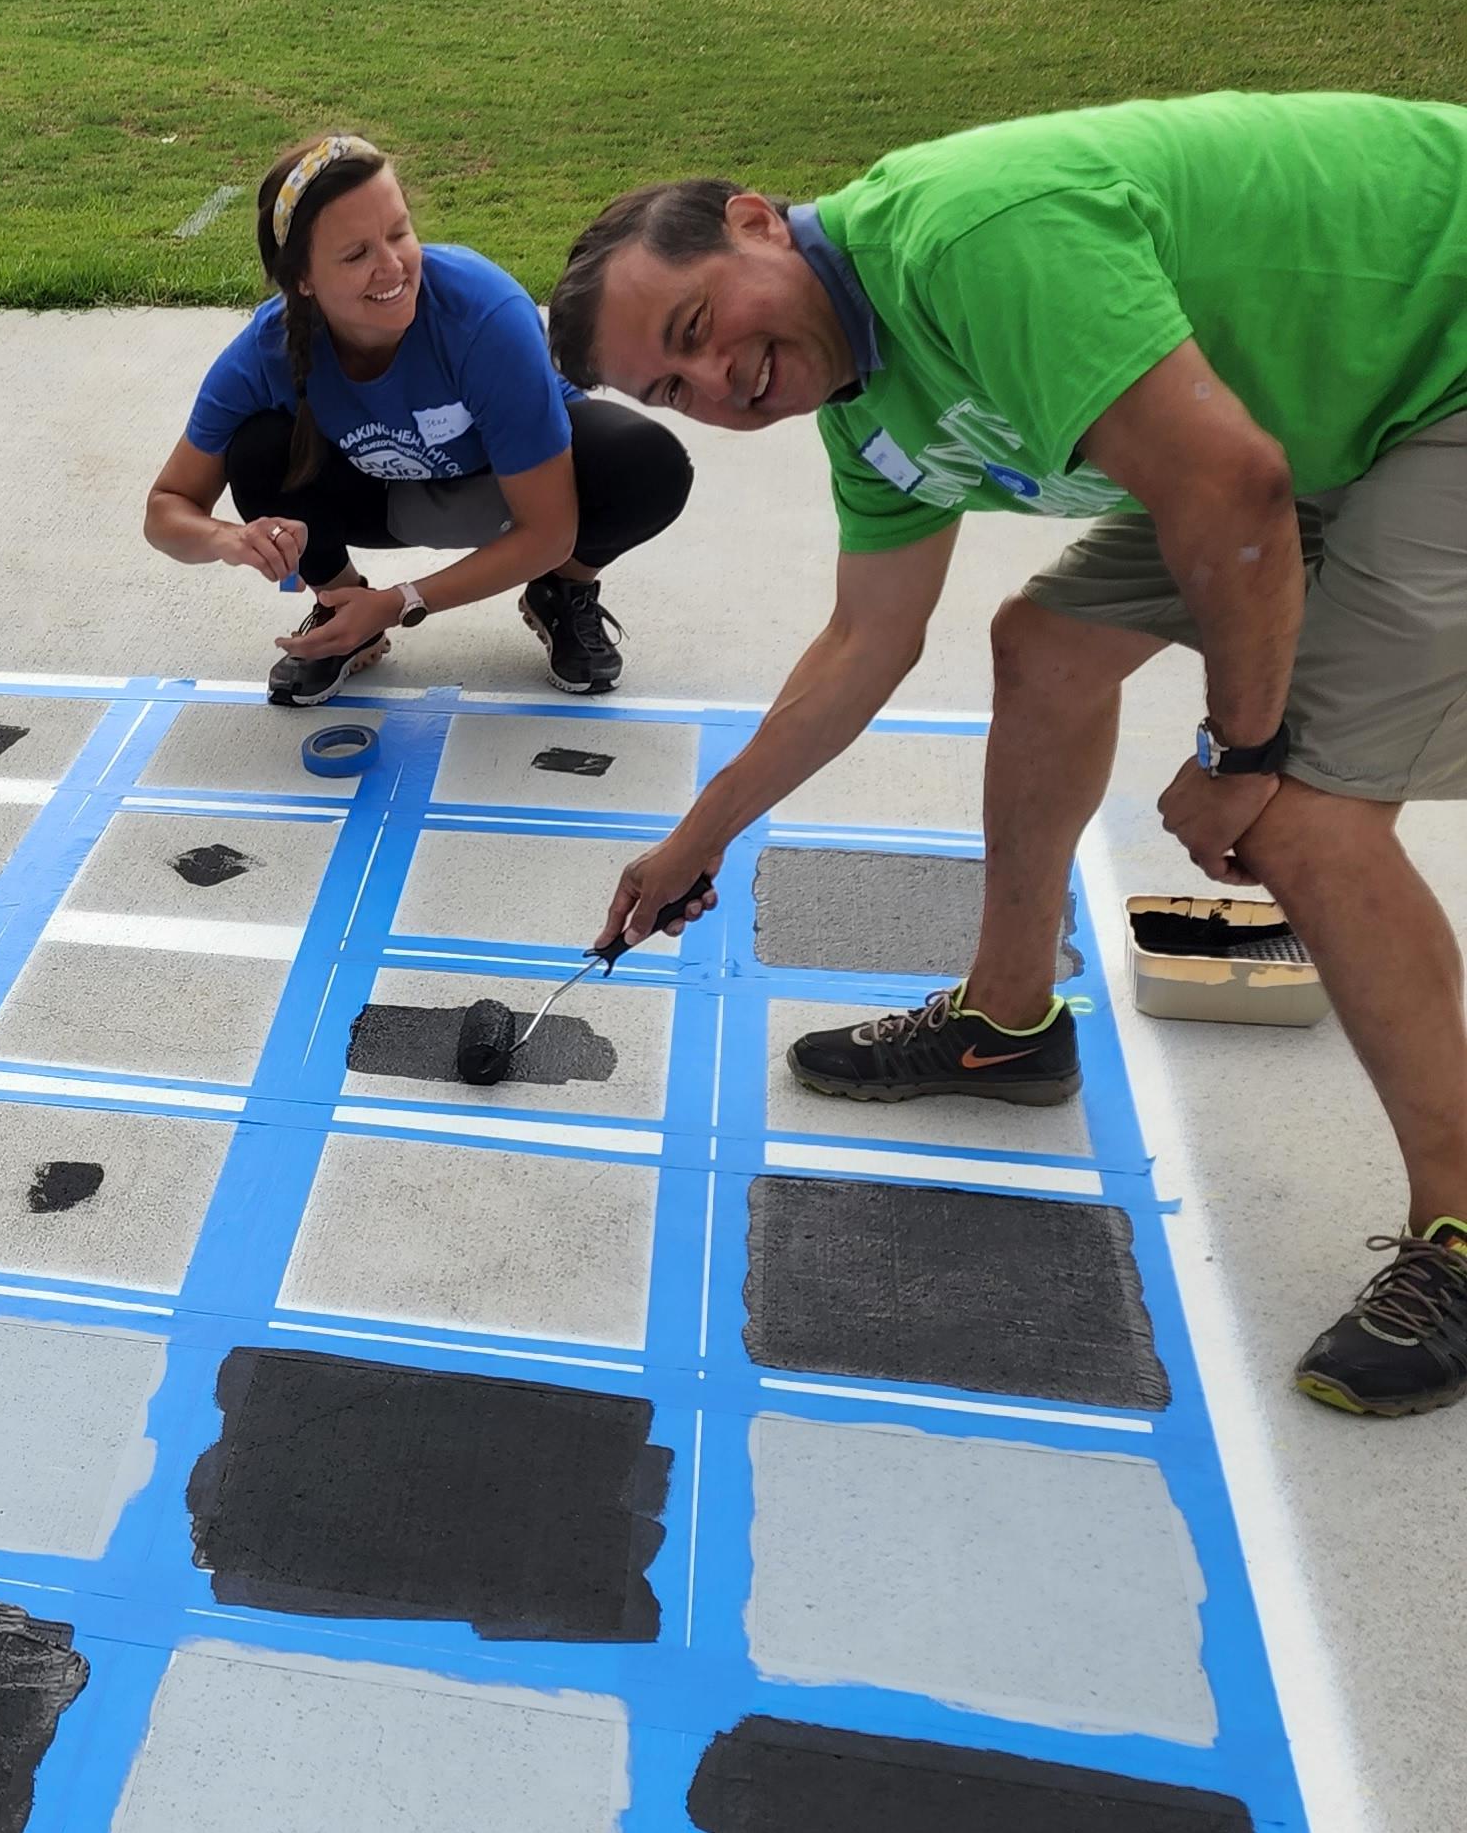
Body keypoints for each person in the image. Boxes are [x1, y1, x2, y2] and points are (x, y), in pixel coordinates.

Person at [546, 91, 1467, 1417]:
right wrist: (697, 838)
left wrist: (1240, 750)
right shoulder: (868, 416)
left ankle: (1458, 1229)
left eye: (697, 329)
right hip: (1313, 414)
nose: (718, 382)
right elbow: (865, 643)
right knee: (1045, 647)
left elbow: (1233, 490)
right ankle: (1007, 1024)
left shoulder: (971, 240)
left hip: (1435, 372)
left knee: (1303, 818)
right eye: (672, 390)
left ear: (756, 222)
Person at [144, 134, 692, 704]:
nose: (392, 267)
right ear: (302, 279)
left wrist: (400, 602)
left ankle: (562, 590)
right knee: (257, 450)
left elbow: (549, 529)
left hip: (513, 488)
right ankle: (342, 613)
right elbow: (166, 509)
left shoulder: (484, 313)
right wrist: (229, 538)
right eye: (355, 255)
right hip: (382, 494)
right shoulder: (267, 349)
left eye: (399, 233)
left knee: (645, 465)